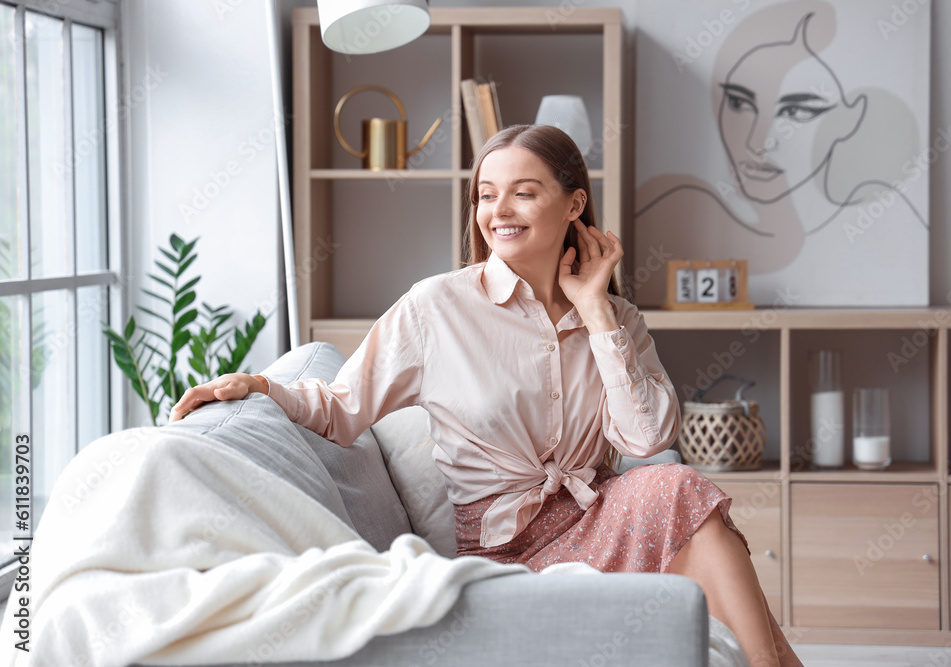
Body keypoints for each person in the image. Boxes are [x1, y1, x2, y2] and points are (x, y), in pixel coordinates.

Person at [169, 124, 802, 666]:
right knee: (684, 500)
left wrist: (595, 311)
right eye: (486, 196)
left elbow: (647, 440)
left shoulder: (618, 317)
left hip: (600, 515)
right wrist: (260, 387)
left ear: (574, 203)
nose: (499, 211)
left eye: (525, 193)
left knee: (677, 489)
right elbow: (340, 409)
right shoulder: (435, 307)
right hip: (504, 551)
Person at [634, 0, 928, 306]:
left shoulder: (885, 235)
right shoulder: (671, 205)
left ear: (848, 120)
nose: (754, 142)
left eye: (797, 110)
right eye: (739, 103)